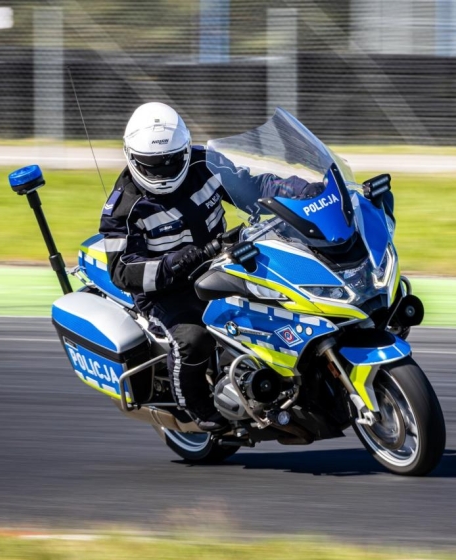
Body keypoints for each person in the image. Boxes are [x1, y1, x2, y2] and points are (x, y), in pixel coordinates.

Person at [99, 103, 321, 431]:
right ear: (131, 158)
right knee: (192, 339)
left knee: (286, 299)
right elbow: (122, 271)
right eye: (152, 165)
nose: (162, 171)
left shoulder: (206, 163)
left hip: (223, 262)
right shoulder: (123, 208)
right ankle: (197, 408)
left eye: (172, 161)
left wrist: (300, 191)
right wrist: (176, 262)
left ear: (185, 151)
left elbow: (254, 186)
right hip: (166, 292)